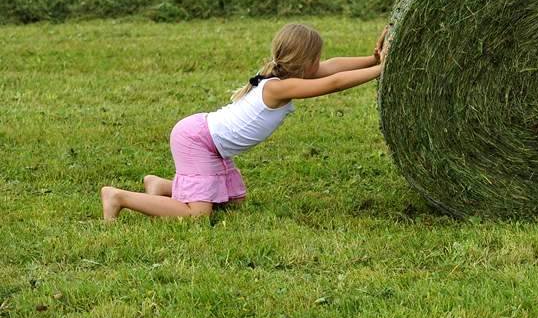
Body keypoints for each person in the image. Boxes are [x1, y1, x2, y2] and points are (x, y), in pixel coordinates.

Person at [100, 23, 388, 221]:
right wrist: (381, 69)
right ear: (304, 61)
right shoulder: (278, 87)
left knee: (233, 204)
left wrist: (371, 58)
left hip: (210, 142)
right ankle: (119, 197)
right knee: (197, 216)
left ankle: (161, 187)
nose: (321, 63)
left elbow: (333, 67)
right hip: (198, 140)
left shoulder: (286, 76)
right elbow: (334, 82)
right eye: (317, 58)